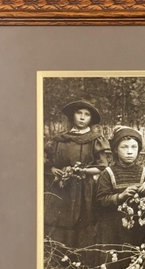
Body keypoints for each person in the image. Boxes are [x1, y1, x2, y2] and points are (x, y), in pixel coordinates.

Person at [44, 100, 108, 249]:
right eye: (79, 113)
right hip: (61, 187)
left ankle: (79, 257)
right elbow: (47, 162)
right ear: (72, 115)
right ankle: (58, 255)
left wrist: (81, 171)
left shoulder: (94, 139)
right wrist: (53, 170)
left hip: (84, 188)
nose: (82, 117)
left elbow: (102, 166)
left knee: (82, 220)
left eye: (86, 115)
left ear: (90, 119)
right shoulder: (59, 139)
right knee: (60, 217)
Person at [96, 126, 145, 265]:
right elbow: (101, 200)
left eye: (134, 147)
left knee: (138, 258)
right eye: (124, 147)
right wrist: (120, 196)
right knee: (116, 260)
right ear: (116, 150)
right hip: (114, 227)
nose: (130, 152)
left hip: (140, 226)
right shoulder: (108, 174)